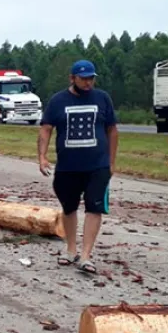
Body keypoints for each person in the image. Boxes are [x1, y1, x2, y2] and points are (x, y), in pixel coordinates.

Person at [37, 59, 118, 274]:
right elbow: (46, 129)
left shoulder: (102, 98)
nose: (88, 82)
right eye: (83, 78)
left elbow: (112, 130)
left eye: (91, 78)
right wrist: (42, 157)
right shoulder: (58, 101)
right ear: (72, 78)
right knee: (69, 207)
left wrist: (111, 162)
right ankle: (70, 250)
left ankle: (86, 255)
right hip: (67, 166)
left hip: (97, 165)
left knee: (95, 207)